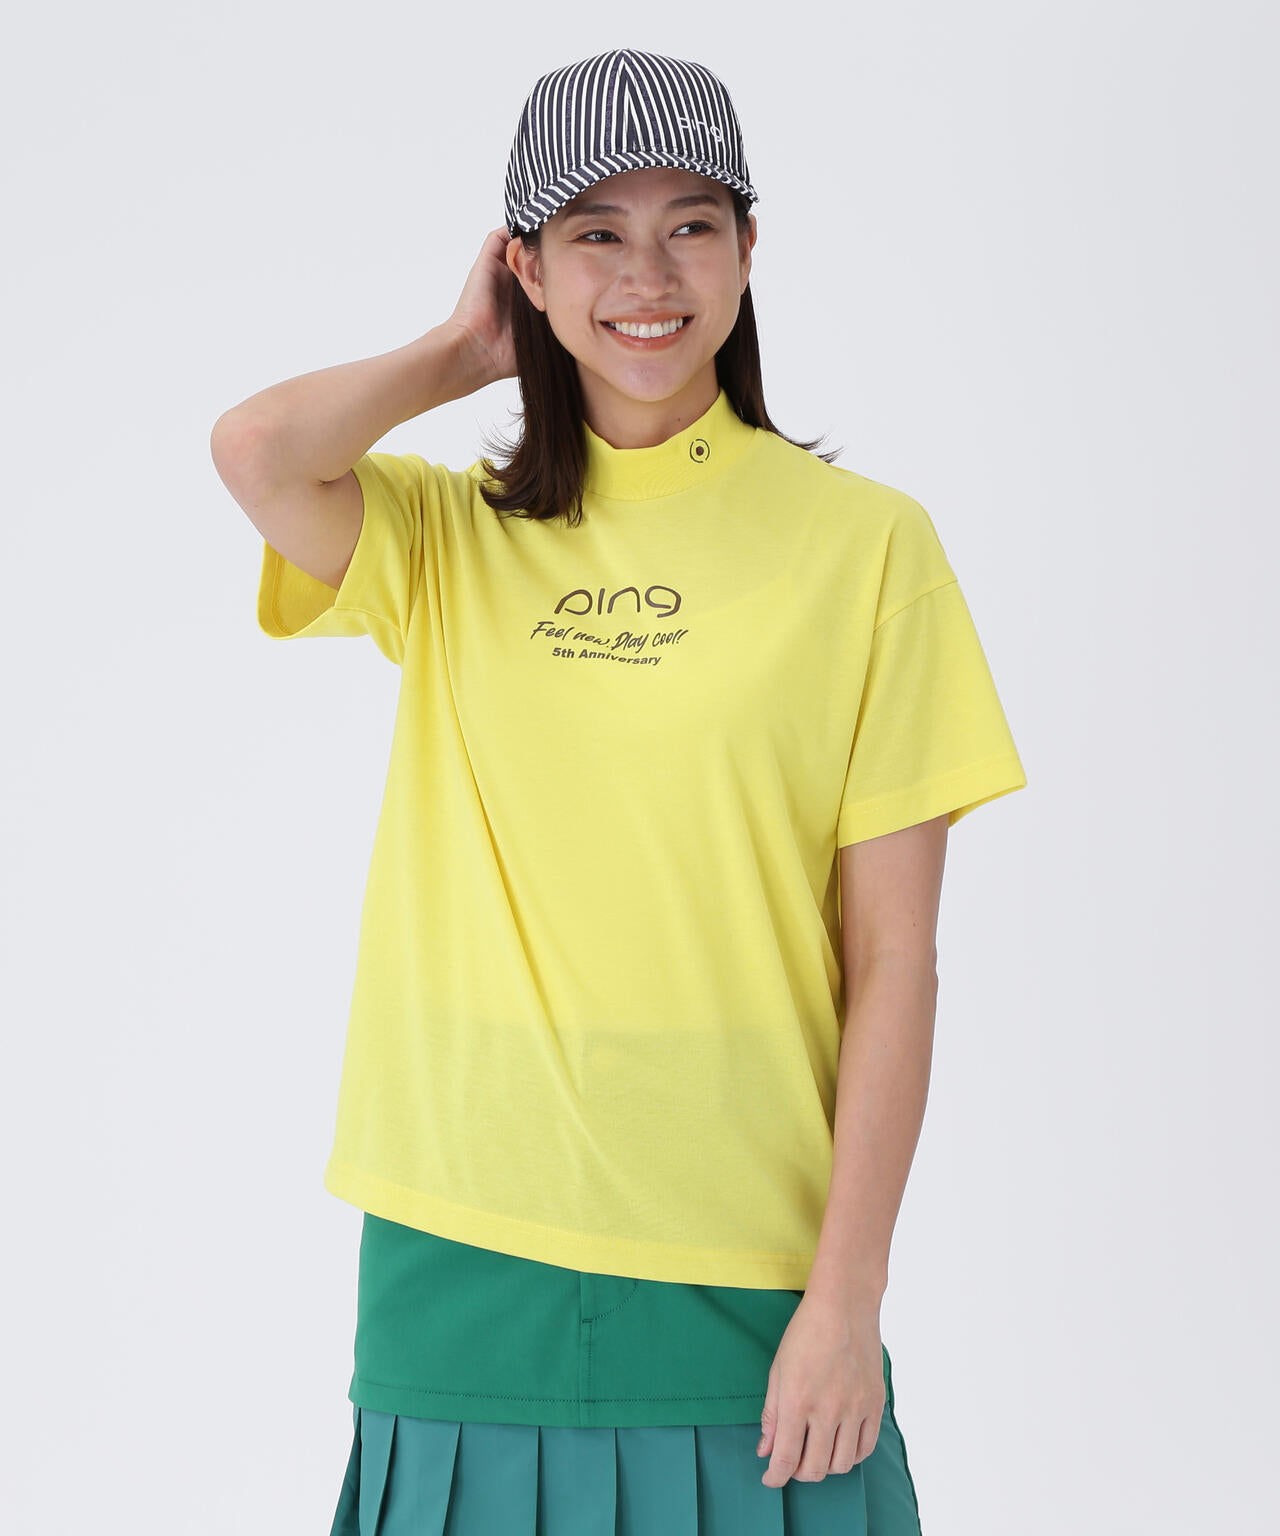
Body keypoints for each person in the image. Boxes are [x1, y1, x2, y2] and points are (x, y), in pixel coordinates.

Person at [212, 46, 1027, 1536]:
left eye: (690, 224)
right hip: (459, 1238)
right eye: (595, 232)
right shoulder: (450, 541)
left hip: (749, 1250)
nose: (648, 275)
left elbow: (896, 956)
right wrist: (462, 352)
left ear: (748, 249)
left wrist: (849, 1292)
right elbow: (256, 449)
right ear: (524, 265)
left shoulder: (867, 549)